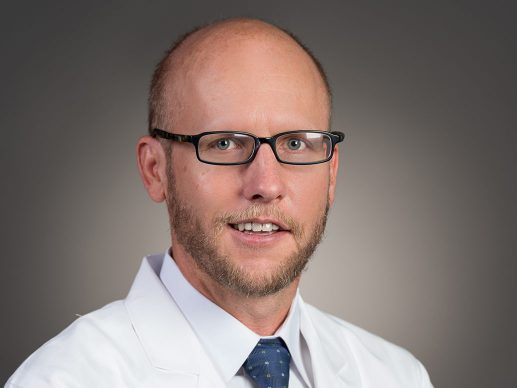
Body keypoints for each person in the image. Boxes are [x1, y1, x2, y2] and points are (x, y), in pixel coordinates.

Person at [6, 18, 433, 388]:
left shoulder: (396, 375)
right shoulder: (65, 379)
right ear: (155, 170)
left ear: (332, 173)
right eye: (225, 143)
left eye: (297, 143)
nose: (265, 184)